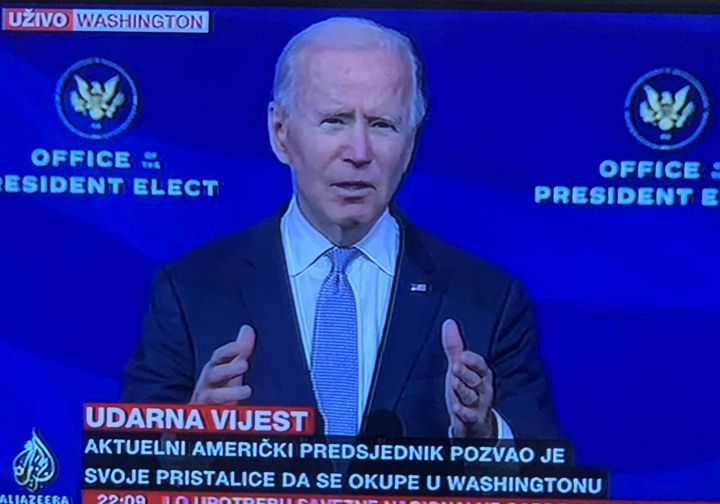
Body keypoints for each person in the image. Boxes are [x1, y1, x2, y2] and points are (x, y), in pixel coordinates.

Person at [122, 17, 558, 440]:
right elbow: (123, 466)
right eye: (335, 120)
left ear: (411, 143)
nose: (359, 152)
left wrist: (485, 435)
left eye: (383, 125)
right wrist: (190, 437)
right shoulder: (190, 291)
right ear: (280, 132)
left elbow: (545, 465)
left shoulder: (488, 301)